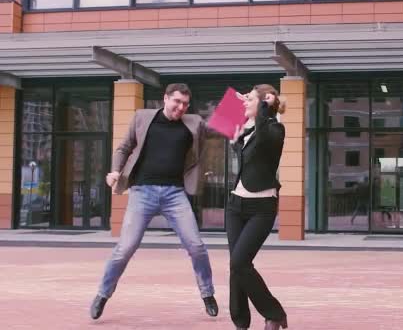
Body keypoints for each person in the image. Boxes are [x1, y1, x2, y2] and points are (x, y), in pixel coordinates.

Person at [89, 83, 218, 320]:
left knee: (196, 246)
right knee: (125, 248)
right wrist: (115, 171)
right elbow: (124, 147)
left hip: (175, 194)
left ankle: (207, 293)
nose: (181, 107)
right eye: (177, 102)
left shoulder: (193, 123)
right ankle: (103, 295)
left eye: (185, 104)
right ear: (165, 99)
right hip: (142, 192)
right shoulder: (142, 117)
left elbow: (220, 128)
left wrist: (244, 107)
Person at [227, 84, 288, 330]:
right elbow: (222, 126)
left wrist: (262, 104)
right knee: (235, 266)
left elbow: (264, 137)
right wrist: (236, 104)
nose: (245, 102)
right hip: (235, 205)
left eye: (250, 99)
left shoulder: (275, 129)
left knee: (241, 262)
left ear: (265, 103)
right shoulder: (246, 130)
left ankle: (274, 313)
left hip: (261, 207)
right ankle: (241, 322)